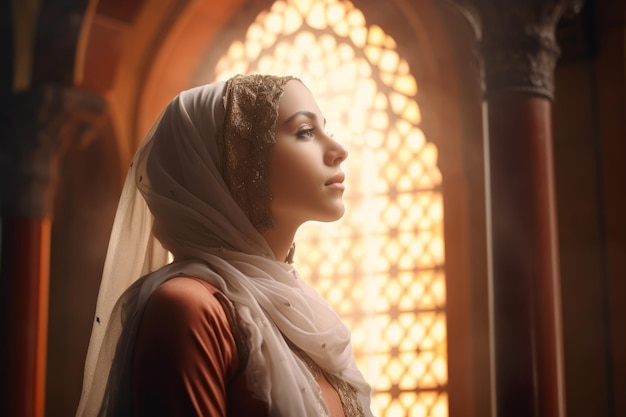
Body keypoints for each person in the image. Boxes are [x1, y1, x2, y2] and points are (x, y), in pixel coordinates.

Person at [75, 74, 374, 417]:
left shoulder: (303, 313)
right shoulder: (189, 309)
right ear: (232, 164)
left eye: (327, 130)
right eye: (306, 132)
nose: (339, 150)